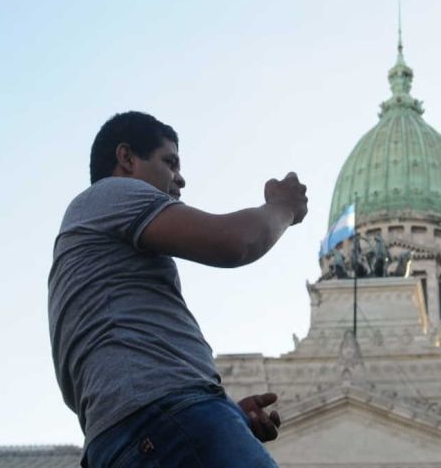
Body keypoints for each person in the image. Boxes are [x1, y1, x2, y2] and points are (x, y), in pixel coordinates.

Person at [48, 111, 308, 468]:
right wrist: (282, 208)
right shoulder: (112, 194)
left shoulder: (83, 244)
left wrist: (226, 413)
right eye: (169, 162)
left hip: (116, 442)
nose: (180, 178)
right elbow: (235, 243)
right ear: (126, 159)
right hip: (166, 417)